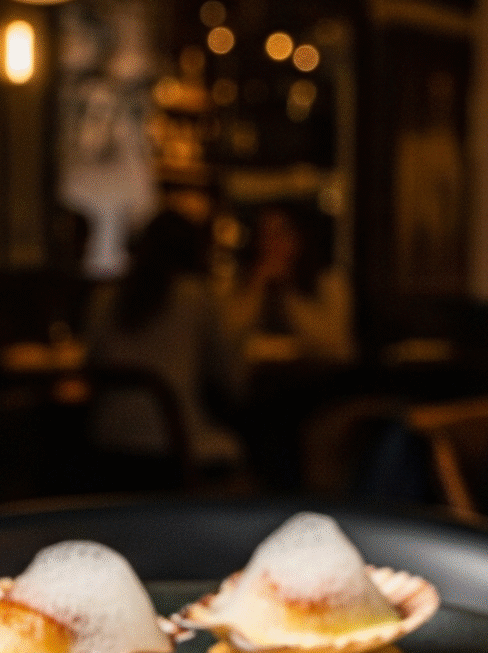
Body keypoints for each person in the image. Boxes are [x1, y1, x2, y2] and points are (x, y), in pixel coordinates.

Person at [85, 208, 243, 472]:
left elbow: (91, 364)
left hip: (107, 436)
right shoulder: (197, 296)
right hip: (174, 440)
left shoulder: (105, 296)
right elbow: (232, 378)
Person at [220, 202, 354, 369]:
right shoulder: (242, 280)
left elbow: (336, 341)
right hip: (259, 376)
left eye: (279, 234)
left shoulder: (328, 279)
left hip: (317, 376)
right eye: (264, 235)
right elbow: (226, 336)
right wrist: (257, 284)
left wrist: (287, 290)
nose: (270, 243)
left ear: (299, 237)